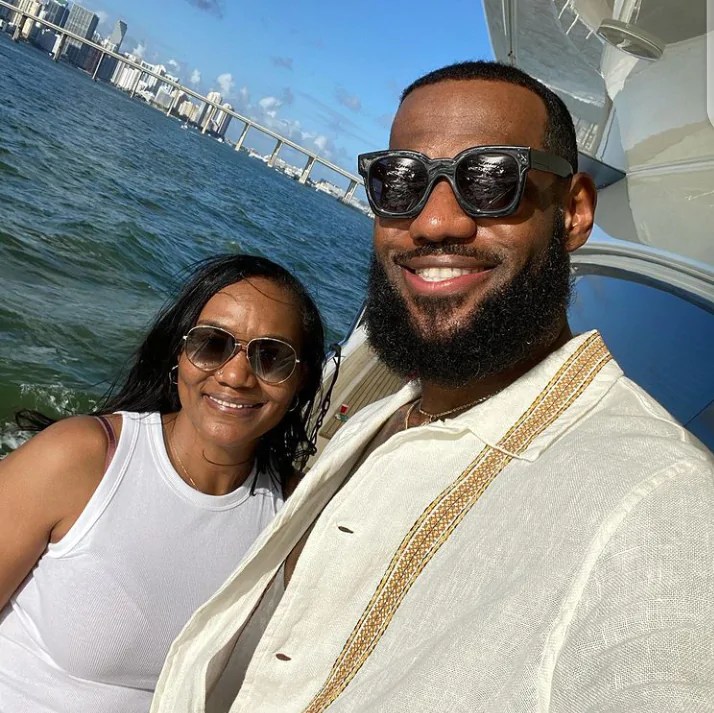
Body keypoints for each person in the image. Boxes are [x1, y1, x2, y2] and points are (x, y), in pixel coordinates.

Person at [150, 62, 714, 713]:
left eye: (491, 179)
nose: (434, 221)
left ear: (574, 212)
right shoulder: (384, 418)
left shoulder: (661, 503)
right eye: (400, 182)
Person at [0, 253, 330, 712]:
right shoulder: (82, 458)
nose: (235, 376)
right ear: (179, 354)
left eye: (271, 357)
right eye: (212, 344)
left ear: (300, 380)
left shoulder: (298, 520)